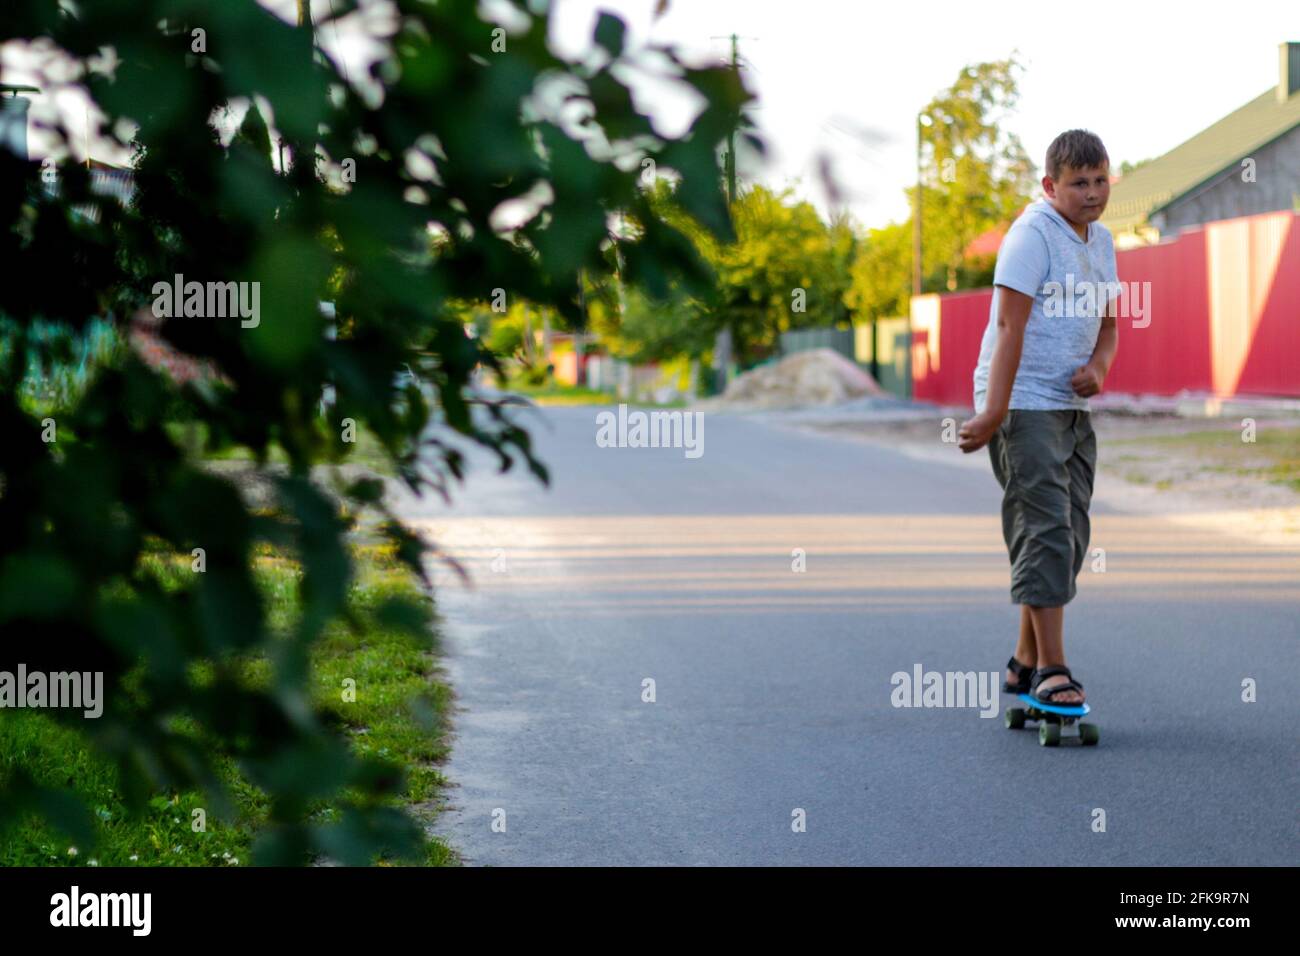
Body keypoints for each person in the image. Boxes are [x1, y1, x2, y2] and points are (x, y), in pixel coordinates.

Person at [957, 129, 1120, 707]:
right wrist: (993, 411)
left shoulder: (1101, 243)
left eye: (1101, 180)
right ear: (1051, 185)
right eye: (1079, 183)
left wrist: (1099, 369)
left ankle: (1023, 662)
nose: (1093, 192)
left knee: (1070, 534)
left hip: (1071, 408)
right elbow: (1008, 328)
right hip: (1023, 403)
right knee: (1045, 529)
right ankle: (1054, 668)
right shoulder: (1030, 237)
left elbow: (1109, 327)